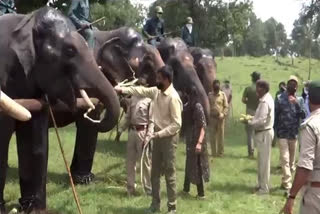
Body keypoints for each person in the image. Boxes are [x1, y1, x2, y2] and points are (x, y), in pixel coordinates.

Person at [115, 65, 182, 214]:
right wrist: (122, 90)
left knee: (170, 173)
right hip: (157, 136)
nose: (156, 80)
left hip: (169, 138)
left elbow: (177, 124)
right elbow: (140, 90)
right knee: (155, 172)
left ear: (167, 79)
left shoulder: (173, 98)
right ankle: (155, 205)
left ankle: (172, 207)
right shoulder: (156, 91)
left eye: (159, 78)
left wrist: (158, 134)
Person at [281, 80, 320, 214]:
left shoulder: (310, 126)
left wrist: (291, 196)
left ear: (309, 99)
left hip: (316, 195)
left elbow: (305, 167)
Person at [275, 75, 306, 192]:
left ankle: (285, 181)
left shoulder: (300, 100)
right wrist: (275, 131)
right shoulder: (279, 98)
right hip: (282, 133)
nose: (292, 86)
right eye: (290, 83)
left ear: (297, 87)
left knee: (292, 163)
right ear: (287, 85)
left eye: (295, 84)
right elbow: (276, 115)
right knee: (285, 159)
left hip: (293, 134)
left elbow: (303, 115)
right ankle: (288, 185)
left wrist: (297, 103)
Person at [117, 95, 153, 196]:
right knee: (130, 161)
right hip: (132, 131)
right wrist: (121, 129)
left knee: (145, 162)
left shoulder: (149, 101)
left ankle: (148, 189)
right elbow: (128, 116)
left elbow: (151, 121)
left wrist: (148, 136)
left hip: (143, 131)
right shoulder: (133, 99)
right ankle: (130, 188)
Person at [248, 80, 274, 195]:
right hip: (264, 133)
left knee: (264, 162)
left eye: (258, 88)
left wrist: (250, 122)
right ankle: (260, 185)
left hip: (264, 133)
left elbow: (262, 120)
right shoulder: (267, 98)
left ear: (263, 89)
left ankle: (264, 189)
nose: (256, 90)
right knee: (261, 161)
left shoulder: (264, 102)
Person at [183, 87, 210, 199]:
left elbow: (203, 126)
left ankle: (201, 193)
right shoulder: (188, 106)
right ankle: (186, 189)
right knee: (189, 163)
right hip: (190, 140)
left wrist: (199, 142)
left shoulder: (197, 107)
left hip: (198, 139)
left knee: (198, 165)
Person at [242, 71, 260, 158]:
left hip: (249, 111)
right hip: (259, 112)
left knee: (250, 133)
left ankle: (251, 153)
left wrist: (248, 102)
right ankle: (260, 152)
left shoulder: (248, 88)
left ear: (252, 78)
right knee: (260, 132)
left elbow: (243, 100)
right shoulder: (261, 89)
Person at [208, 80, 229, 157]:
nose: (216, 90)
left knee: (220, 137)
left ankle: (220, 153)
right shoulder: (209, 95)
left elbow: (226, 106)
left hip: (220, 119)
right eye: (215, 88)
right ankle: (213, 153)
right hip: (212, 118)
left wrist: (223, 114)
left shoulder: (223, 95)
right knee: (212, 136)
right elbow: (207, 106)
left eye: (217, 88)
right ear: (213, 87)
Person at [273, 81, 286, 147]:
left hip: (280, 113)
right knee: (275, 128)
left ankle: (276, 142)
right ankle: (274, 142)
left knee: (277, 128)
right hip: (279, 113)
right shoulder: (279, 93)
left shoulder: (281, 93)